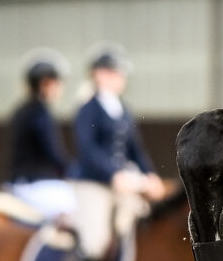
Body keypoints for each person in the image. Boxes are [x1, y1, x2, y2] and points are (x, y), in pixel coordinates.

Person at [69, 46, 170, 206]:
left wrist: (150, 174)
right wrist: (113, 174)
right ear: (99, 74)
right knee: (95, 229)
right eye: (114, 73)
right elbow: (88, 148)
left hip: (123, 181)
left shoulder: (124, 110)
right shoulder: (88, 109)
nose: (121, 78)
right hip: (93, 183)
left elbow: (135, 149)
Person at [5, 55, 75, 221]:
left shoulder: (23, 110)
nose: (60, 88)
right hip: (35, 184)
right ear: (45, 83)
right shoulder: (40, 114)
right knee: (74, 207)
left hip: (22, 181)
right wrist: (76, 172)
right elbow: (54, 153)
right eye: (57, 83)